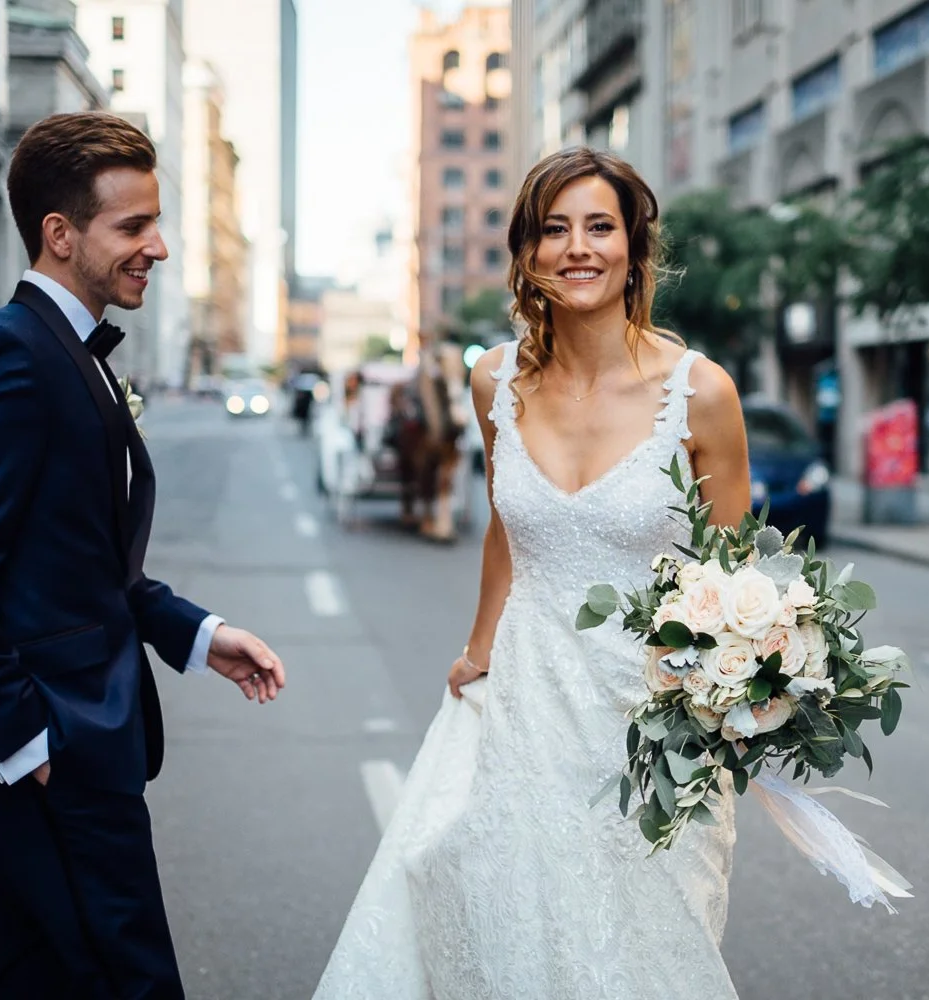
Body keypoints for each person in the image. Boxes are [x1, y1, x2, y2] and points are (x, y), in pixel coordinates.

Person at [313, 147, 751, 999]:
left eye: (599, 226)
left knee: (646, 948)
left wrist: (733, 701)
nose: (577, 248)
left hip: (656, 721)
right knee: (502, 917)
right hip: (522, 702)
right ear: (527, 252)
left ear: (634, 248)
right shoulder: (494, 382)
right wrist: (476, 648)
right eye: (554, 229)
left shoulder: (702, 394)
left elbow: (733, 581)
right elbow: (508, 532)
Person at [0, 112, 287, 1000]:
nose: (159, 248)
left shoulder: (72, 350)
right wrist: (21, 732)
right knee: (128, 974)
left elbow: (86, 565)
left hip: (79, 735)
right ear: (60, 234)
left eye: (156, 223)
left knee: (35, 977)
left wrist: (201, 635)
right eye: (133, 227)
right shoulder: (6, 354)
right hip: (52, 743)